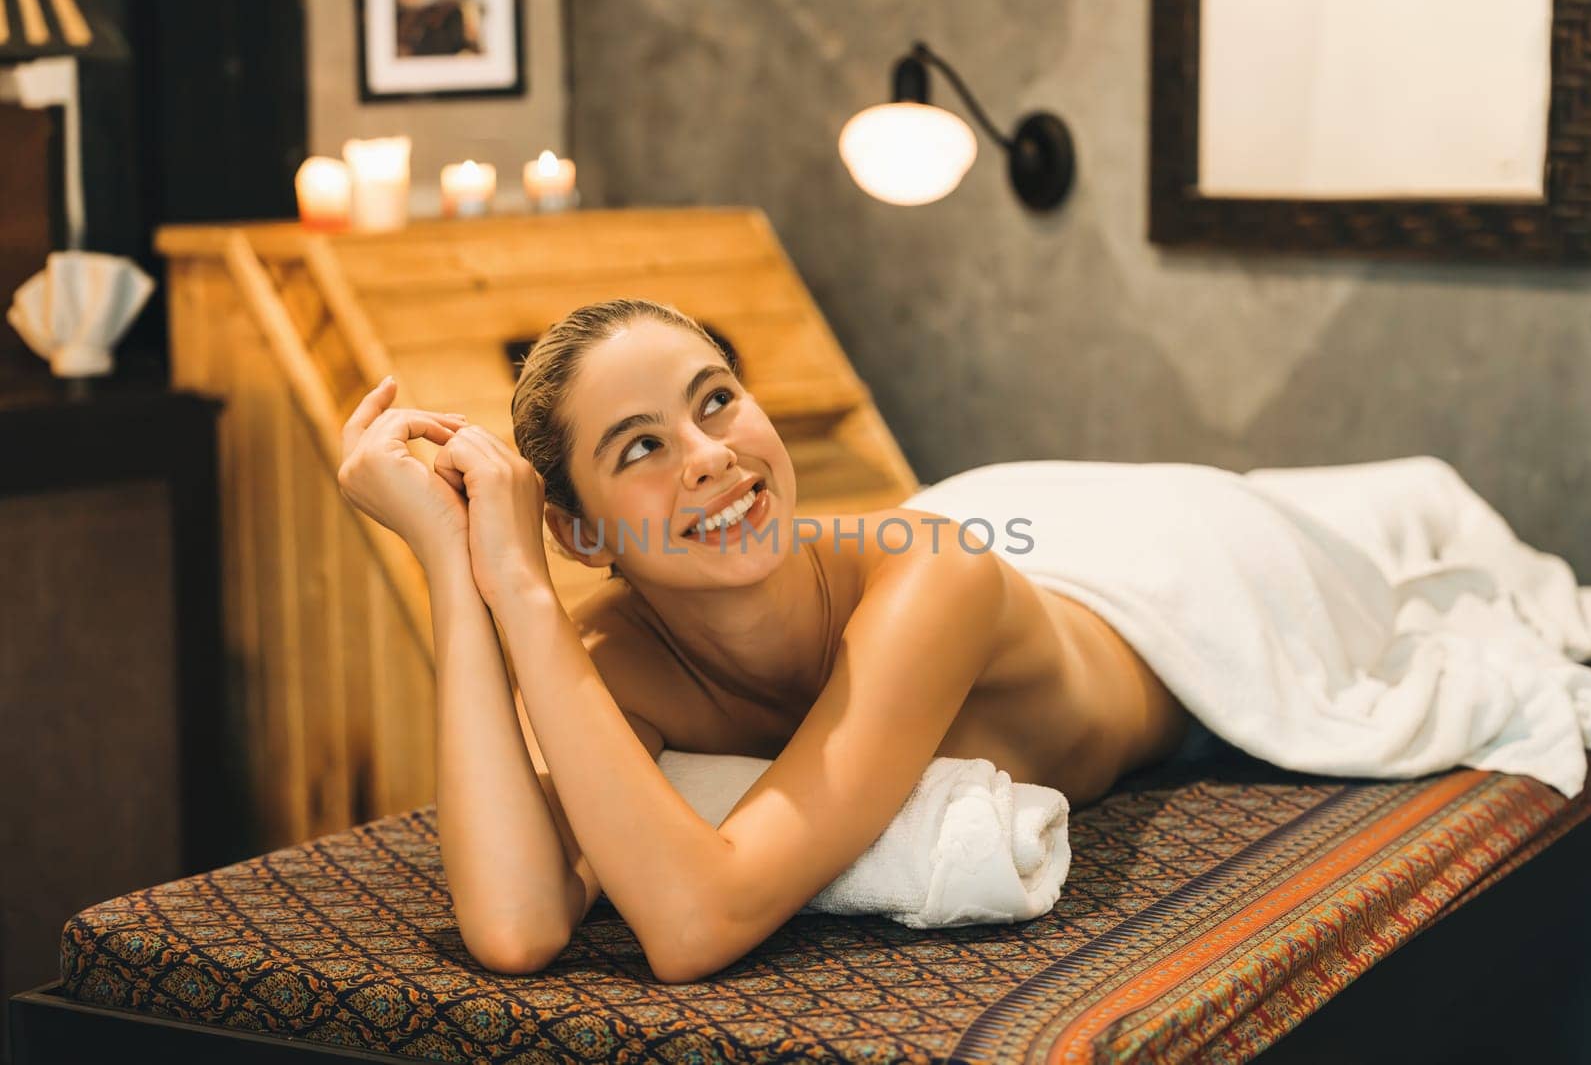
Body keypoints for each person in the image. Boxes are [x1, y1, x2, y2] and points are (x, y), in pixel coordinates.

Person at [335, 298, 1194, 983]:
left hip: (1154, 571)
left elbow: (696, 922)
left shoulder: (936, 577)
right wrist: (456, 565)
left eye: (716, 399)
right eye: (641, 445)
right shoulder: (609, 657)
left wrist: (526, 588)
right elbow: (517, 925)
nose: (709, 455)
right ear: (579, 535)